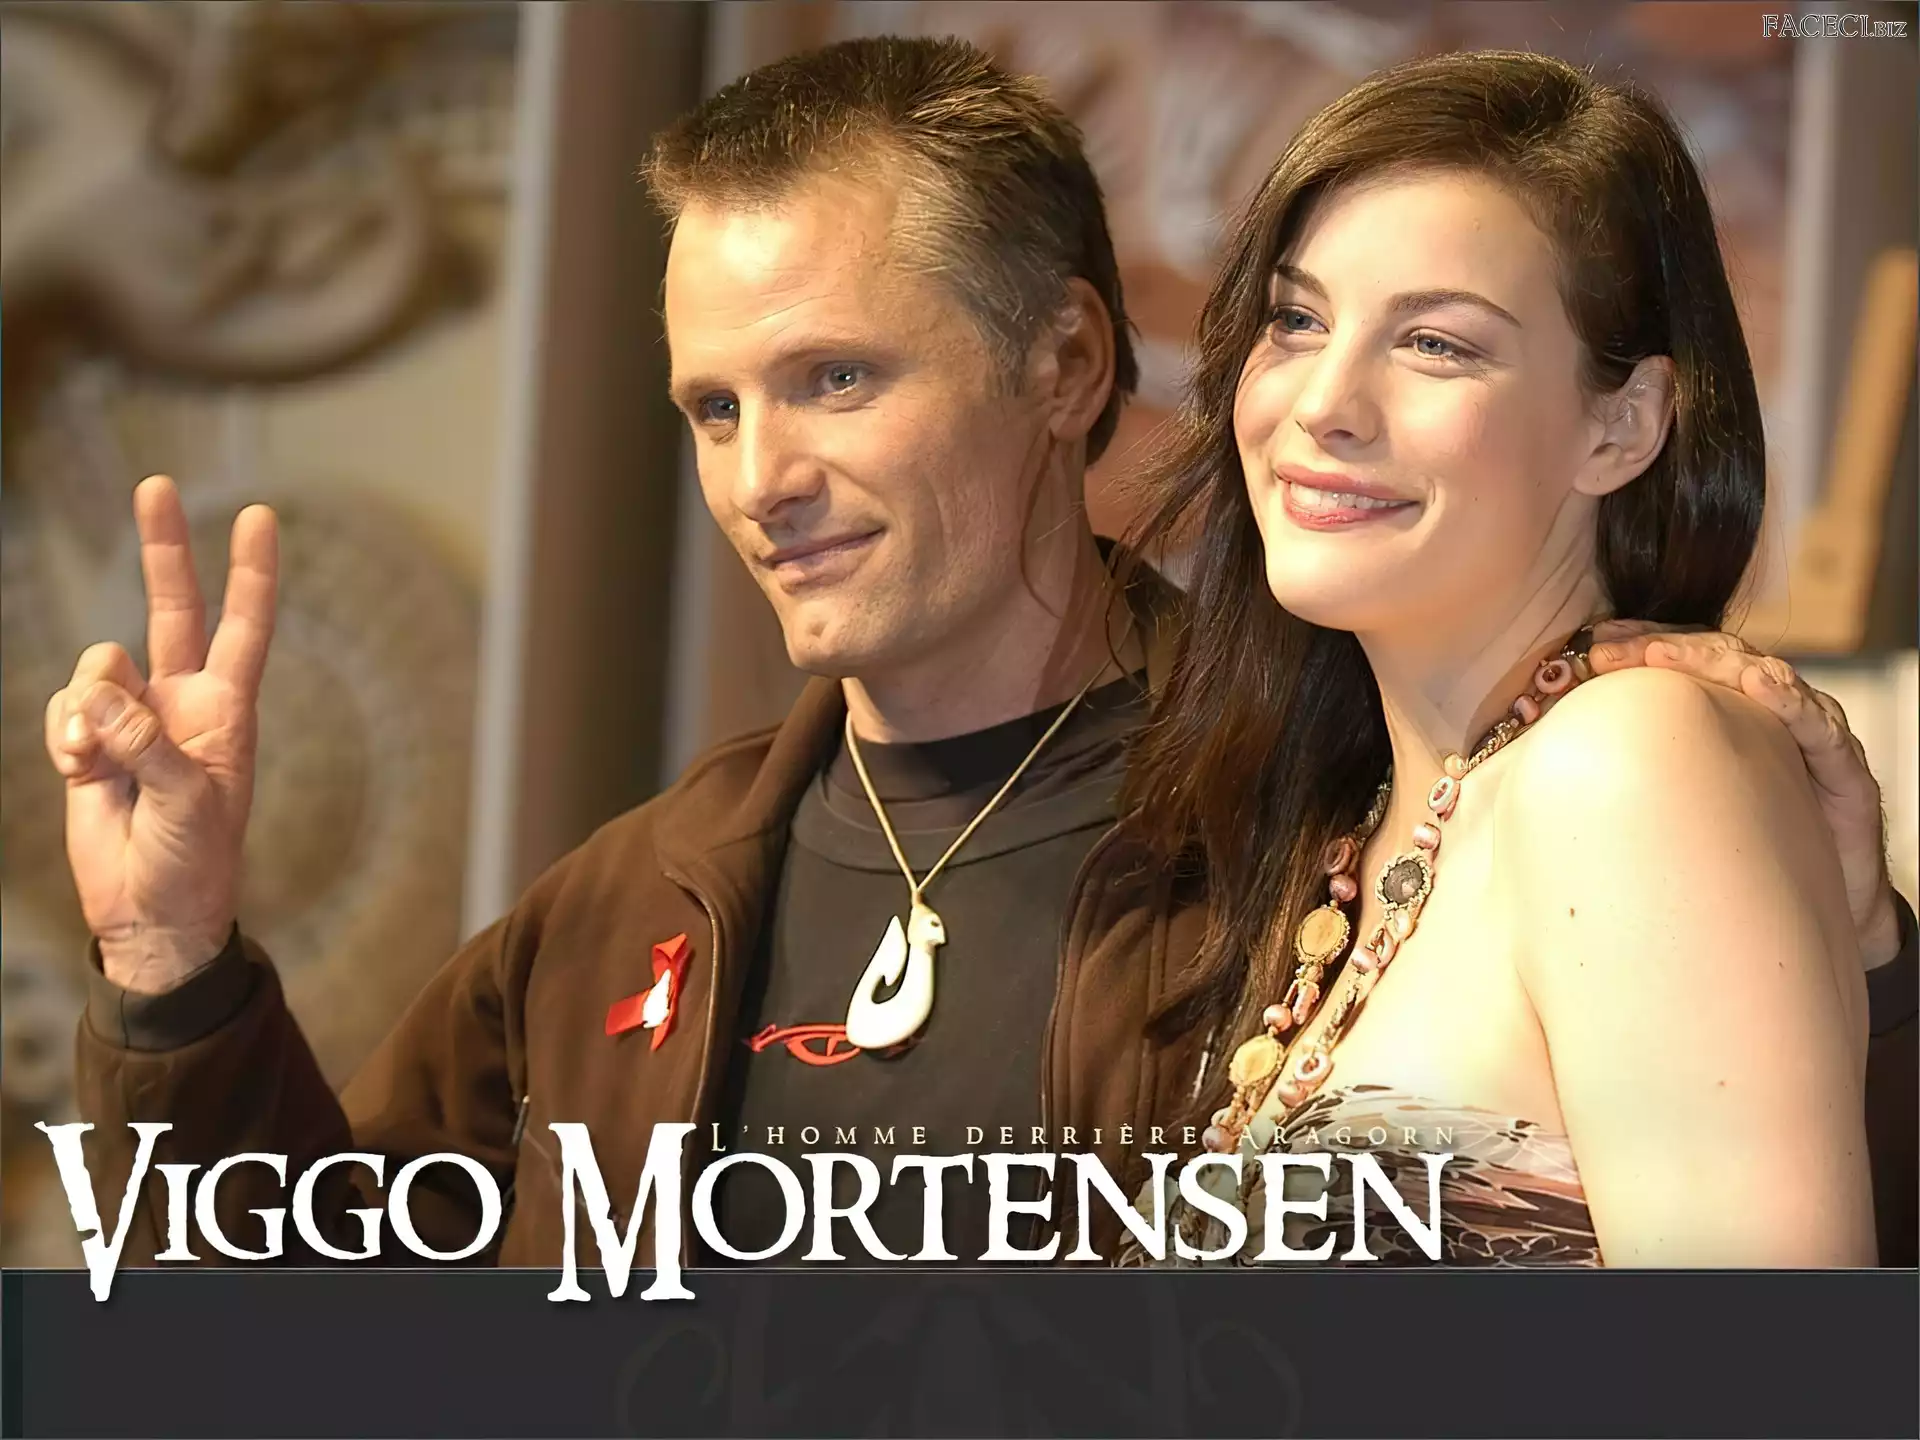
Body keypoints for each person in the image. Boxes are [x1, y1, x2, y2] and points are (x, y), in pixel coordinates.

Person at [47, 37, 1915, 1268]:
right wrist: (170, 965)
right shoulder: (631, 904)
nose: (763, 478)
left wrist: (1862, 943)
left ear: (1071, 364)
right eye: (713, 408)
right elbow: (310, 1321)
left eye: (836, 379)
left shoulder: (1333, 802)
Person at [1116, 49, 1912, 1266]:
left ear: (1622, 424)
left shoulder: (1626, 766)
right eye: (1297, 321)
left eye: (1437, 344)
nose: (1324, 403)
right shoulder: (1365, 824)